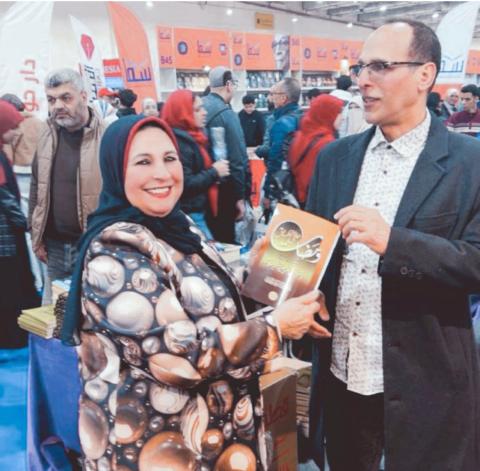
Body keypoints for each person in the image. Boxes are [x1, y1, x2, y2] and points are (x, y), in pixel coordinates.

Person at [61, 115, 330, 470]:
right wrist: (276, 327)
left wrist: (264, 275)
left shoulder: (175, 225)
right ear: (115, 171)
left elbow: (208, 298)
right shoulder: (114, 251)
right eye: (143, 162)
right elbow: (181, 357)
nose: (162, 173)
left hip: (212, 432)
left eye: (169, 158)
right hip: (160, 445)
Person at [306, 19, 480, 471]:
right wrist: (299, 284)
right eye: (362, 67)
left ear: (425, 75)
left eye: (381, 66)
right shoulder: (334, 158)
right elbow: (314, 249)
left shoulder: (469, 164)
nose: (363, 80)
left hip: (427, 379)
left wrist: (395, 243)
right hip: (343, 373)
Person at [29, 68, 104, 304]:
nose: (58, 106)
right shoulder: (46, 135)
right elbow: (37, 186)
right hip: (55, 248)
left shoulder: (106, 136)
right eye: (52, 100)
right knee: (55, 315)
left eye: (65, 97)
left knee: (94, 313)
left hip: (94, 246)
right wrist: (36, 235)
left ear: (83, 96)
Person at [162, 89, 229, 239]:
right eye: (197, 110)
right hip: (189, 214)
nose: (204, 113)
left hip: (197, 210)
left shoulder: (195, 137)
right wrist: (214, 172)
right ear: (183, 113)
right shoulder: (180, 143)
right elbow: (185, 184)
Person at [0, 100, 39, 348]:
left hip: (7, 236)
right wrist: (27, 224)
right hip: (5, 239)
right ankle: (12, 337)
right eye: (12, 127)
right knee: (10, 285)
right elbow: (5, 198)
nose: (17, 133)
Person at [1, 93, 45, 291]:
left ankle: (37, 280)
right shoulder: (38, 123)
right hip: (39, 174)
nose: (16, 131)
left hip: (19, 176)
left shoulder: (9, 132)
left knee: (28, 236)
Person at [203, 66, 250, 243]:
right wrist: (240, 197)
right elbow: (237, 160)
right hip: (224, 191)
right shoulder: (226, 114)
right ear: (229, 85)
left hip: (200, 188)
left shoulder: (198, 108)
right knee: (227, 243)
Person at [288, 94, 343, 207]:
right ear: (328, 115)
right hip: (317, 201)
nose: (342, 117)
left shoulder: (300, 135)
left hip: (298, 196)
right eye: (338, 113)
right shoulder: (327, 143)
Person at [262, 77, 302, 210]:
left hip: (284, 186)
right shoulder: (303, 117)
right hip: (299, 185)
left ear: (283, 98)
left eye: (274, 94)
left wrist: (268, 192)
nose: (271, 98)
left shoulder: (281, 124)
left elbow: (275, 161)